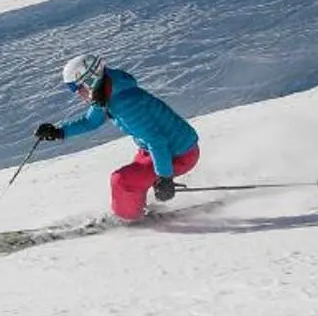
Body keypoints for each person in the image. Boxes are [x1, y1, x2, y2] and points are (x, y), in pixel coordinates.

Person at [33, 53, 200, 221]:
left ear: (90, 80)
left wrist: (165, 178)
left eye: (78, 88)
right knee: (132, 177)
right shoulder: (107, 91)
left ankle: (128, 218)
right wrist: (58, 131)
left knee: (122, 181)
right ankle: (135, 208)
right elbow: (90, 122)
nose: (78, 94)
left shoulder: (124, 102)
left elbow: (156, 141)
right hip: (155, 150)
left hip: (180, 154)